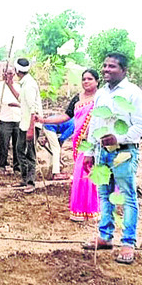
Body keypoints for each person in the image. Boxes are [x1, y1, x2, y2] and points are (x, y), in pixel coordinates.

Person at [81, 52, 142, 264]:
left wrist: (118, 137)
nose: (106, 70)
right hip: (102, 152)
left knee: (128, 196)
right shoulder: (101, 94)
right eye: (104, 65)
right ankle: (105, 237)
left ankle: (128, 242)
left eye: (112, 66)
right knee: (104, 194)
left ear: (123, 70)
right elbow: (95, 123)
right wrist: (89, 152)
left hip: (124, 151)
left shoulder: (134, 94)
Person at [38, 69, 101, 221]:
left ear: (97, 81)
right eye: (84, 79)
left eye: (90, 79)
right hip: (78, 142)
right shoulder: (77, 98)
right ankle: (80, 211)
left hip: (96, 141)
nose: (86, 81)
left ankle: (95, 211)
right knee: (80, 173)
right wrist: (44, 120)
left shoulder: (101, 98)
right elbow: (66, 116)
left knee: (92, 173)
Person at [6, 58, 43, 194]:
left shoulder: (29, 85)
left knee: (30, 153)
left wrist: (31, 129)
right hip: (25, 123)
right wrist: (9, 84)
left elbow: (33, 109)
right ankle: (24, 179)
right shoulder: (25, 83)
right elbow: (21, 99)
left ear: (16, 71)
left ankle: (31, 182)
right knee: (19, 150)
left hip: (30, 124)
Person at [0, 66, 21, 174]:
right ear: (3, 74)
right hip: (5, 119)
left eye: (11, 73)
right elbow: (3, 101)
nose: (9, 76)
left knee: (17, 144)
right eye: (7, 73)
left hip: (18, 118)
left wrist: (17, 104)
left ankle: (17, 167)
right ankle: (2, 165)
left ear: (14, 74)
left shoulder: (19, 87)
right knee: (4, 144)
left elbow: (21, 100)